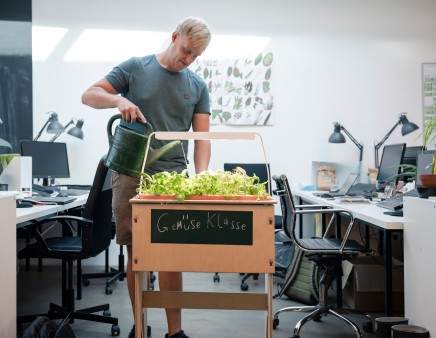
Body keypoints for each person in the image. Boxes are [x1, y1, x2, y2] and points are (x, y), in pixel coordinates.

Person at [81, 17, 212, 338]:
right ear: (174, 37)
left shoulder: (197, 86)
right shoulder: (136, 68)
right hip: (130, 176)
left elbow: (202, 139)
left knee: (171, 256)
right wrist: (118, 99)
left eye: (196, 56)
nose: (189, 59)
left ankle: (174, 331)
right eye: (186, 50)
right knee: (137, 254)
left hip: (173, 182)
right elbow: (89, 94)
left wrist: (201, 177)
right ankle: (139, 328)